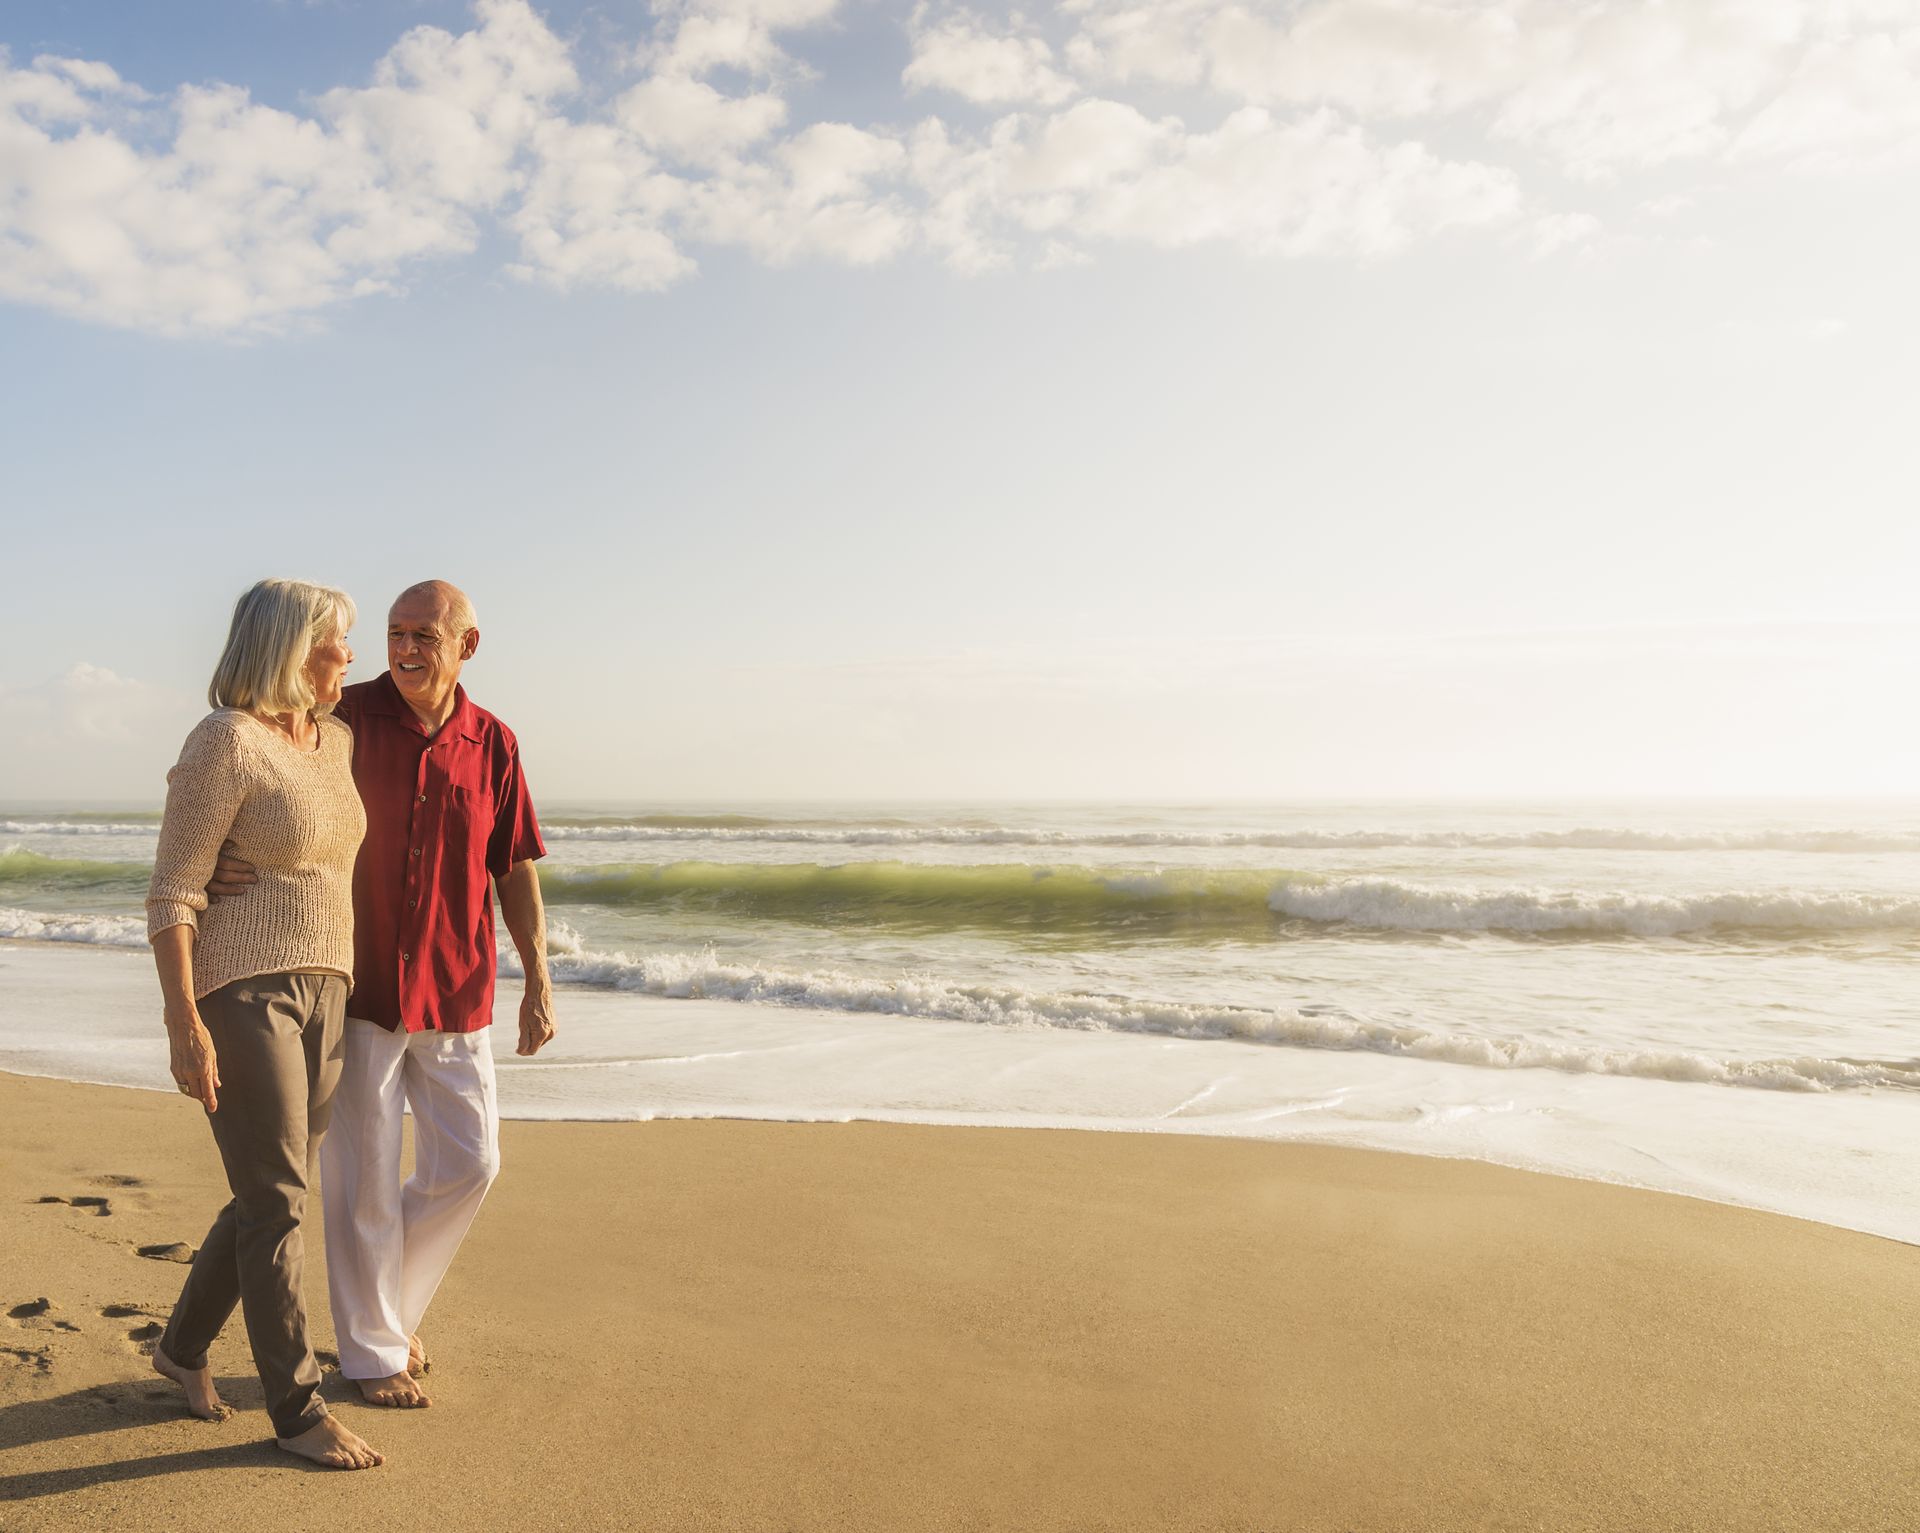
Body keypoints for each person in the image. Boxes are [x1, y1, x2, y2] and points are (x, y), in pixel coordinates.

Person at [211, 579, 554, 1410]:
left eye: (423, 636)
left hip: (456, 983)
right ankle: (370, 1353)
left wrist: (537, 973)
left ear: (466, 646)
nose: (403, 649)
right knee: (361, 1176)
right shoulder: (342, 719)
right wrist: (220, 848)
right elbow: (242, 761)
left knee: (473, 1161)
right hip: (355, 983)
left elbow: (514, 865)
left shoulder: (494, 743)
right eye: (396, 632)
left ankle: (387, 1316)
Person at [146, 578, 385, 1471]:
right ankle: (295, 1406)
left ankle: (178, 1348)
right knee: (280, 1200)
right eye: (339, 641)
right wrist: (184, 1024)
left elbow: (321, 862)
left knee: (266, 1192)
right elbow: (173, 888)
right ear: (291, 645)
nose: (349, 658)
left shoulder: (336, 741)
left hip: (329, 987)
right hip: (241, 990)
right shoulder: (225, 741)